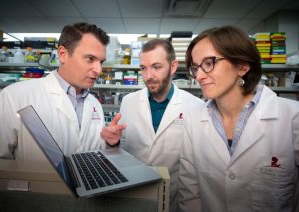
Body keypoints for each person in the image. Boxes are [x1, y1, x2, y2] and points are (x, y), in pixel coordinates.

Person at [178, 25, 299, 212]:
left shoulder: (292, 118)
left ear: (242, 66)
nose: (199, 76)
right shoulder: (194, 120)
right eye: (195, 68)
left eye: (209, 63)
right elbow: (189, 195)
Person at [0, 22, 125, 160]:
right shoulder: (14, 96)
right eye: (90, 59)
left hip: (89, 185)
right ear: (63, 54)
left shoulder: (94, 104)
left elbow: (95, 151)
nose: (98, 70)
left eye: (101, 62)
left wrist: (110, 143)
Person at [118, 39, 203, 212]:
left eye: (156, 67)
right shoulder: (128, 102)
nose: (148, 75)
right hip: (132, 194)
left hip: (173, 200)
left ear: (173, 67)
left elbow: (198, 166)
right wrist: (112, 143)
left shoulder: (196, 107)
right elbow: (121, 149)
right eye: (143, 68)